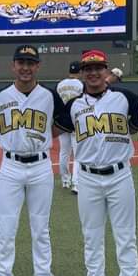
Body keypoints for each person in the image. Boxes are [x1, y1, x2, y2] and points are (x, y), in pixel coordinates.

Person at [0, 44, 73, 276]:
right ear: (13, 66)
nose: (25, 67)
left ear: (37, 67)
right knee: (6, 229)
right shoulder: (1, 96)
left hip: (40, 166)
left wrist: (42, 136)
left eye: (30, 63)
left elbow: (64, 123)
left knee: (40, 229)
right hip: (10, 166)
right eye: (21, 62)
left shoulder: (49, 96)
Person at [65, 49, 138, 276]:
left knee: (125, 237)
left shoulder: (124, 97)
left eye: (98, 68)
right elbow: (59, 128)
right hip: (87, 177)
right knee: (91, 236)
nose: (93, 73)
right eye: (88, 69)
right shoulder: (74, 105)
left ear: (106, 71)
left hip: (119, 174)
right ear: (82, 73)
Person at [55, 61, 83, 193]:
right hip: (76, 121)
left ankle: (65, 180)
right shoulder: (81, 85)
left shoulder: (60, 84)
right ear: (80, 72)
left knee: (64, 152)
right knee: (78, 154)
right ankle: (76, 184)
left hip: (62, 122)